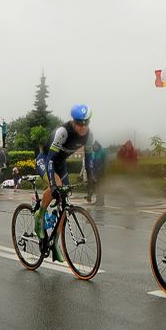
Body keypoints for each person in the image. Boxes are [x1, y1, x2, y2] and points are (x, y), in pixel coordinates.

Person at [34, 105, 95, 255]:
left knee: (65, 201)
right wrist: (53, 184)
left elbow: (88, 160)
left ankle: (55, 241)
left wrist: (92, 178)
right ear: (73, 122)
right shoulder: (63, 132)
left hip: (61, 165)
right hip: (46, 160)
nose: (83, 127)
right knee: (58, 186)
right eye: (80, 123)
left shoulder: (89, 136)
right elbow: (50, 160)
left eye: (86, 123)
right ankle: (39, 216)